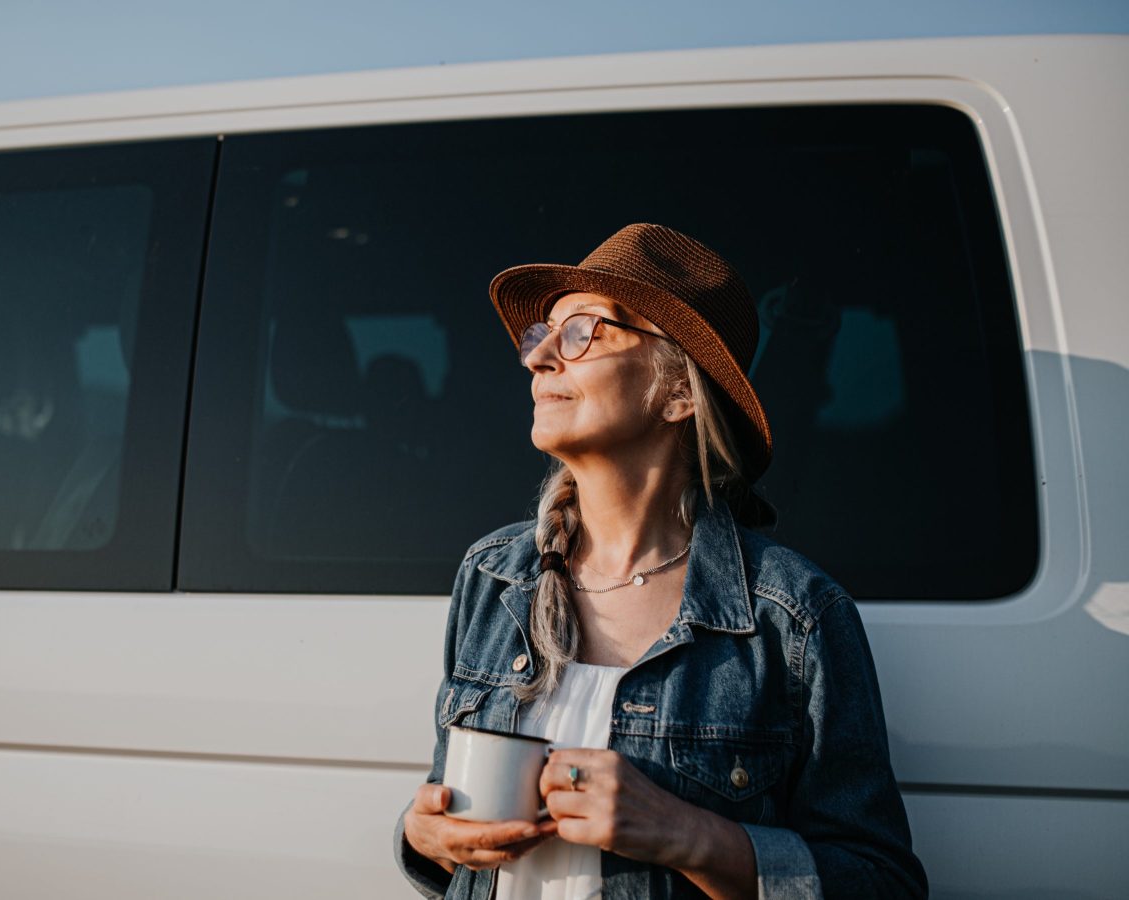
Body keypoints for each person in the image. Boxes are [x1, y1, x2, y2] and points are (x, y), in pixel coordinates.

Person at [394, 224, 927, 899]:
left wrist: (685, 834)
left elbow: (881, 883)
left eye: (584, 332)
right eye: (541, 337)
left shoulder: (793, 616)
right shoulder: (493, 575)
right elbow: (446, 816)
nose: (538, 360)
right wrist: (423, 836)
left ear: (678, 393)